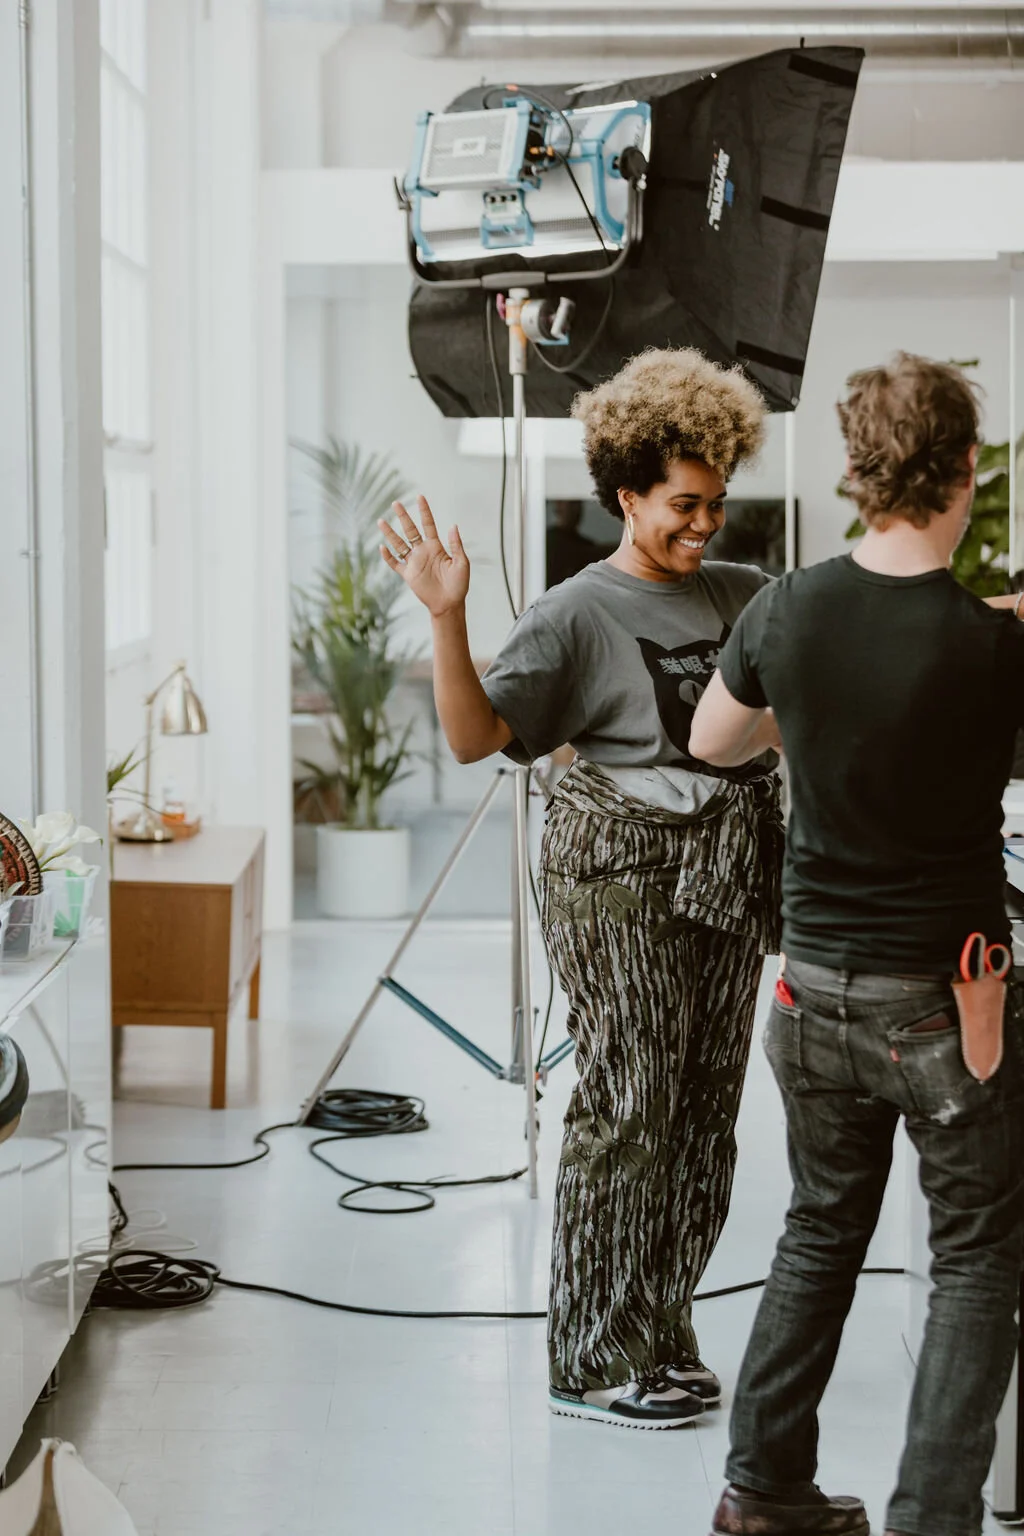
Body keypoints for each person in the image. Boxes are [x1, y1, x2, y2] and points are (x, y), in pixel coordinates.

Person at [379, 348, 784, 1430]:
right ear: (625, 494)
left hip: (723, 873)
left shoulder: (743, 594)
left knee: (702, 1115)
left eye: (717, 501)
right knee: (630, 1104)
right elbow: (478, 740)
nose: (704, 525)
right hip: (618, 879)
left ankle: (659, 1328)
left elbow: (853, 630)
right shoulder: (575, 612)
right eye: (681, 505)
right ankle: (595, 1359)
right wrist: (446, 617)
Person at [689, 352, 1024, 1536]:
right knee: (978, 1256)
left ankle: (763, 1490)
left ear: (857, 471)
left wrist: (817, 715)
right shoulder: (989, 649)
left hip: (809, 993)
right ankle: (931, 1520)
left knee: (821, 1224)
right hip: (941, 1004)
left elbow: (713, 739)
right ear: (964, 474)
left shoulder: (784, 607)